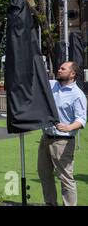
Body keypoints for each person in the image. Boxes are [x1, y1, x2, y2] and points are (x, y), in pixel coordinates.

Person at [38, 61, 86, 206]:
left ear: (72, 74)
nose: (59, 70)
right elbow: (38, 79)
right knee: (45, 175)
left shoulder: (78, 95)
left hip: (63, 142)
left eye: (63, 69)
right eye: (59, 67)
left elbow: (81, 119)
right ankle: (50, 203)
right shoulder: (52, 84)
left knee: (65, 178)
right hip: (45, 138)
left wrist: (69, 127)